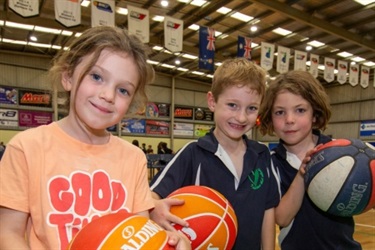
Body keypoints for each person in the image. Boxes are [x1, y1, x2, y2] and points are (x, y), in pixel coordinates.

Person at [0, 26, 190, 250]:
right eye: (97, 77)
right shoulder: (27, 147)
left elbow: (140, 232)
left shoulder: (133, 158)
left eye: (123, 90)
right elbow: (8, 232)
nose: (108, 95)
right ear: (68, 77)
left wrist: (168, 242)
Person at [150, 58, 280, 250]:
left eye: (251, 108)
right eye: (232, 105)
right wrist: (155, 208)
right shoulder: (193, 152)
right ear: (212, 102)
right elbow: (151, 195)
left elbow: (267, 212)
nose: (242, 117)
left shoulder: (262, 155)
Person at [258, 70, 361, 250]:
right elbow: (282, 218)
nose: (289, 120)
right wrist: (303, 173)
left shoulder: (339, 154)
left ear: (314, 114)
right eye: (280, 112)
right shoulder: (271, 163)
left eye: (300, 110)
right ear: (270, 118)